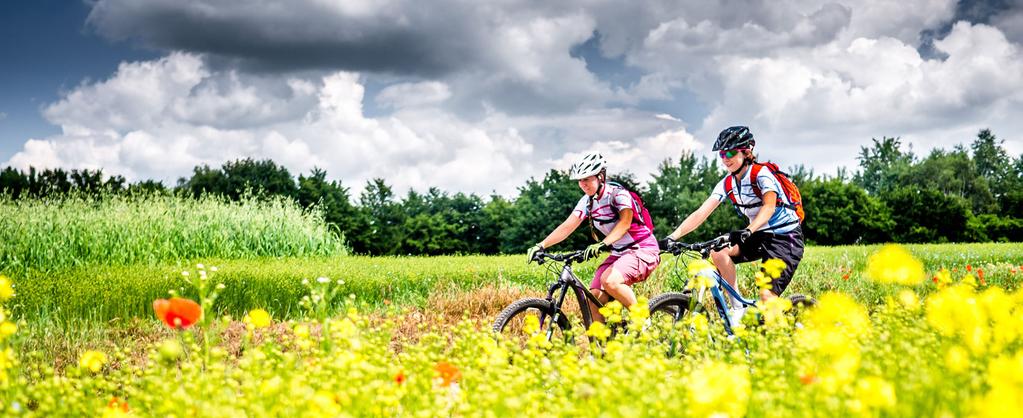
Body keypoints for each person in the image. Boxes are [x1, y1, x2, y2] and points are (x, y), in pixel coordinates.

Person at [660, 126, 805, 323]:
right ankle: (738, 308)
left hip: (785, 238)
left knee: (767, 298)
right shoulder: (727, 183)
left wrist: (748, 230)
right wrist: (672, 237)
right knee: (718, 252)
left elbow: (769, 207)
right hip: (758, 234)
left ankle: (779, 339)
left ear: (747, 152)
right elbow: (701, 213)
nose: (725, 158)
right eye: (721, 154)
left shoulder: (761, 174)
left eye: (730, 152)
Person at [526, 151, 660, 322]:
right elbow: (567, 226)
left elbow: (625, 223)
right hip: (618, 253)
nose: (583, 184)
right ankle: (603, 346)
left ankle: (643, 321)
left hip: (642, 249)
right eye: (580, 180)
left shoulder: (618, 194)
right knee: (594, 299)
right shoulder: (587, 201)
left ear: (600, 177)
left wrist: (602, 244)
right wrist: (541, 245)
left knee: (609, 281)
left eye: (587, 179)